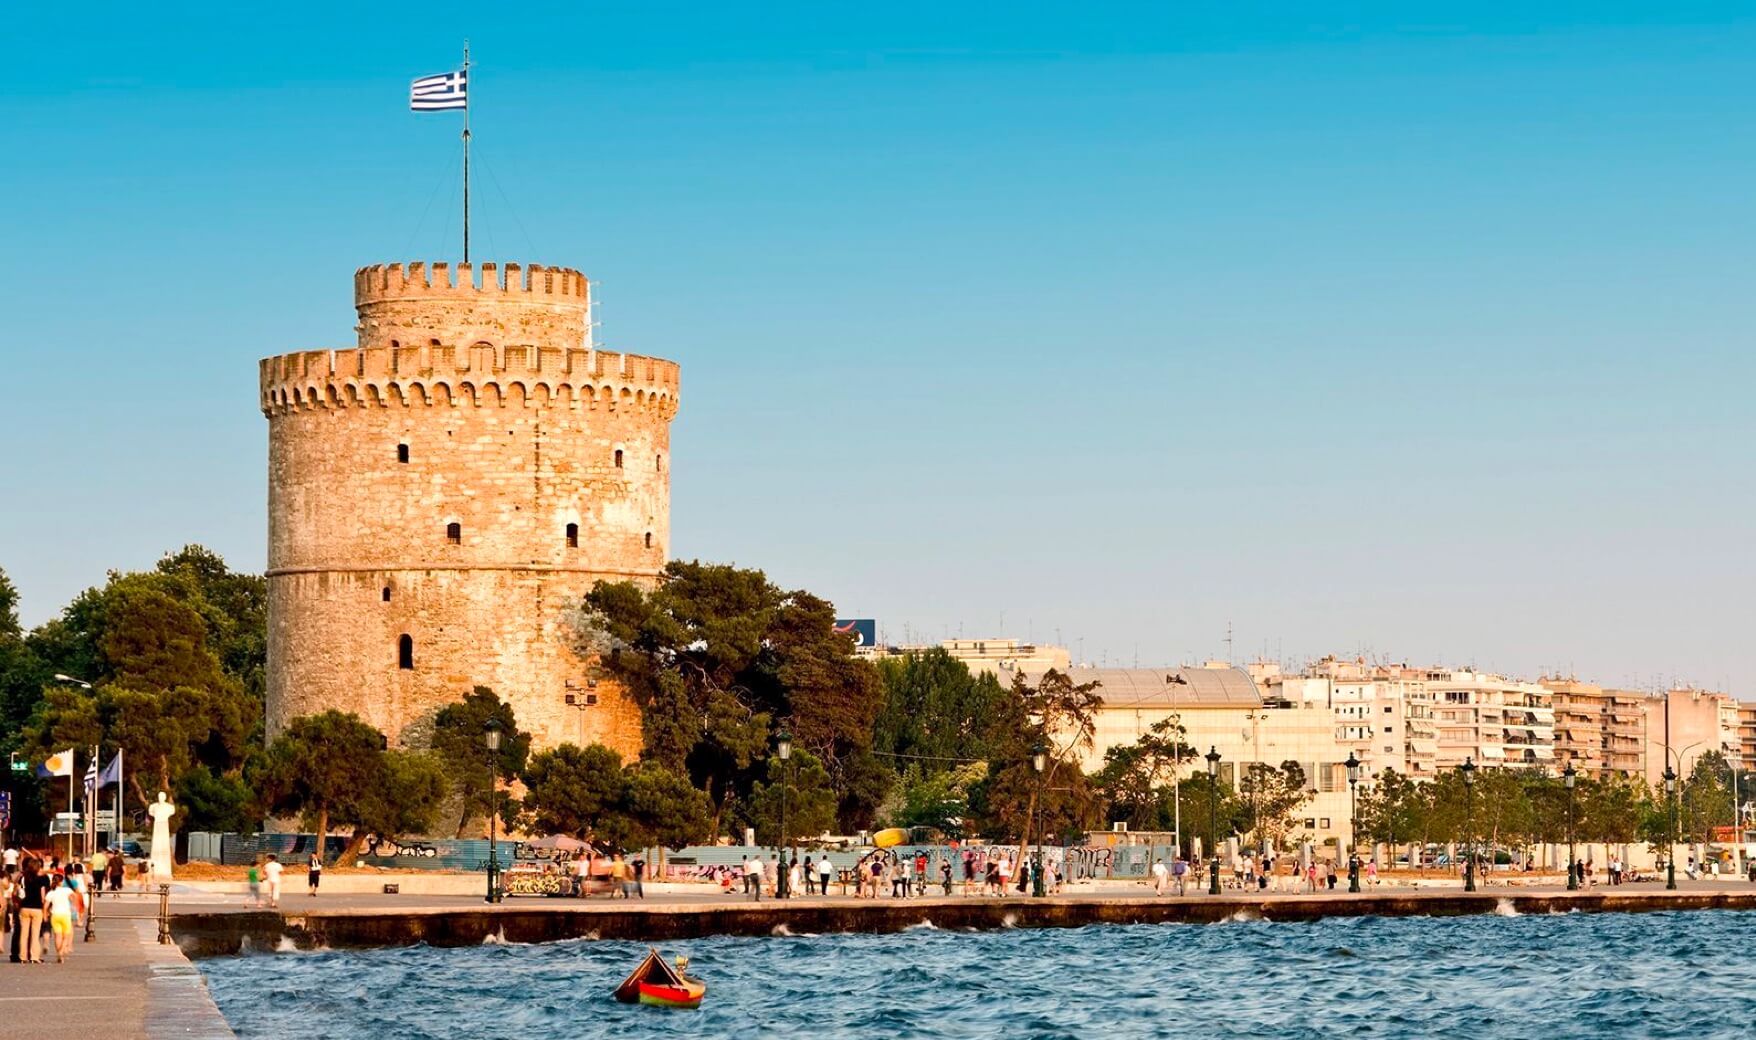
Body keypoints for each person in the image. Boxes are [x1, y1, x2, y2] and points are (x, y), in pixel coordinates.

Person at [45, 876, 79, 963]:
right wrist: (73, 902)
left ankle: (59, 954)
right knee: (66, 936)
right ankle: (61, 951)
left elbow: (45, 906)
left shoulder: (51, 893)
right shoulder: (66, 890)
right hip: (65, 915)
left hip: (55, 915)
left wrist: (45, 915)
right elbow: (75, 896)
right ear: (61, 882)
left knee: (57, 936)